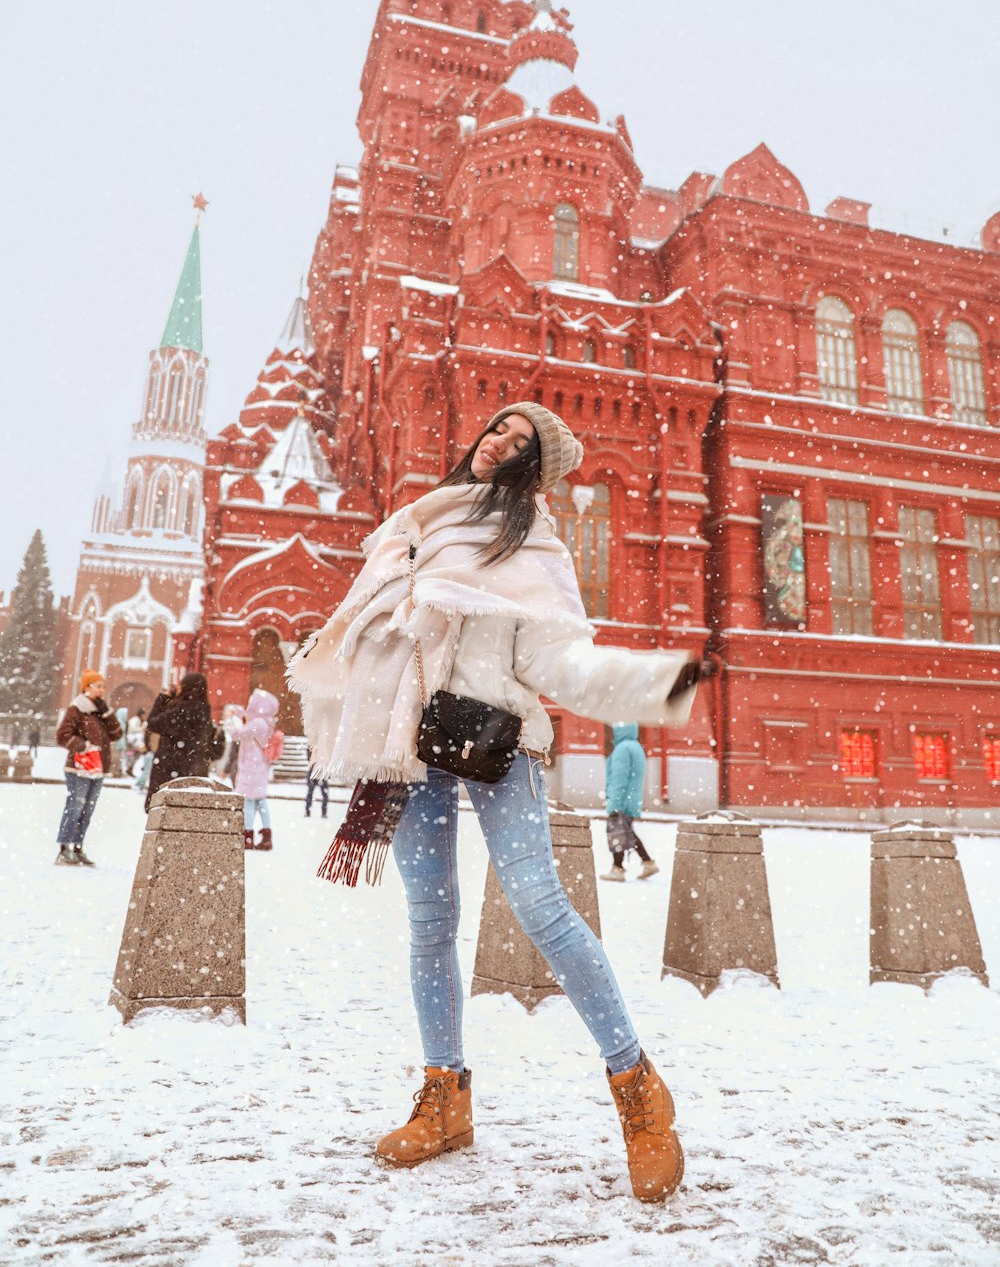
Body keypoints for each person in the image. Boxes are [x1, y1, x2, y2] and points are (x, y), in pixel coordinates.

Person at [290, 402, 711, 1204]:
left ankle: (637, 1091)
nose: (499, 445)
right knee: (429, 924)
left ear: (532, 471)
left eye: (519, 446)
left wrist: (658, 683)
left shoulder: (532, 547)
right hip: (409, 748)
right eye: (496, 431)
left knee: (542, 905)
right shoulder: (418, 523)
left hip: (493, 743)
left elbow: (563, 660)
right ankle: (444, 1097)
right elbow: (368, 630)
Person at [53, 670, 122, 866]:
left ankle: (78, 846)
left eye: (103, 686)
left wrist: (107, 713)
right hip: (78, 767)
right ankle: (64, 848)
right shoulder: (77, 708)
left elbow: (117, 734)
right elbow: (62, 735)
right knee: (75, 807)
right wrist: (84, 747)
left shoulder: (101, 710)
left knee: (88, 810)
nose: (102, 690)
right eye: (97, 686)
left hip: (98, 768)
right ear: (87, 687)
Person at [144, 673, 214, 812]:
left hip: (169, 769)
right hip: (192, 771)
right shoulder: (204, 712)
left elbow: (153, 723)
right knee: (185, 814)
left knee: (162, 813)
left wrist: (164, 698)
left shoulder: (179, 711)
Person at [601, 724, 658, 882]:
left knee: (617, 833)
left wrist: (615, 802)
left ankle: (618, 869)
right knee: (626, 833)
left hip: (621, 800)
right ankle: (647, 862)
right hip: (631, 800)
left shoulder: (622, 749)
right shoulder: (636, 747)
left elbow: (619, 779)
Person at [227, 690, 282, 850]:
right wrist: (237, 712)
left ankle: (247, 837)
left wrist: (230, 720)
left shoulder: (258, 723)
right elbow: (247, 715)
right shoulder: (266, 720)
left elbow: (238, 734)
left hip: (252, 766)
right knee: (260, 800)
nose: (250, 703)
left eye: (253, 701)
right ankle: (267, 836)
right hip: (260, 766)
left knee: (249, 801)